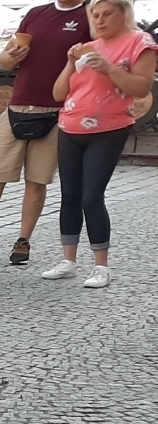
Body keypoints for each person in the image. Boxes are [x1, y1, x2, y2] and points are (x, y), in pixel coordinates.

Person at [0, 0, 89, 264]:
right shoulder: (36, 13)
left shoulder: (89, 15)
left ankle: (23, 240)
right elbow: (6, 63)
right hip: (18, 105)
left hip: (56, 111)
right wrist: (10, 57)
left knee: (37, 181)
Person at [40, 0, 155, 286]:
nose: (100, 20)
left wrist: (109, 68)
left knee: (91, 196)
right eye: (95, 14)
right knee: (70, 196)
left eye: (107, 14)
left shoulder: (139, 41)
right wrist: (69, 63)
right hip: (71, 126)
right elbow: (58, 92)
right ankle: (69, 260)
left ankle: (101, 266)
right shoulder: (89, 47)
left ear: (124, 13)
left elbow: (141, 87)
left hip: (109, 127)